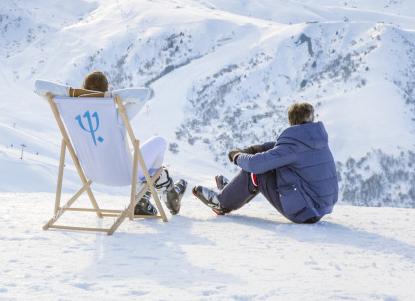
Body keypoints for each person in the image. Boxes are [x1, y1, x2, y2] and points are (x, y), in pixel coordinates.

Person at [35, 71, 187, 216]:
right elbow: (144, 93)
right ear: (106, 89)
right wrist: (108, 97)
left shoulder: (67, 109)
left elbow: (38, 85)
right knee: (159, 141)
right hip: (125, 175)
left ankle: (151, 193)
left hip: (92, 173)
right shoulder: (116, 115)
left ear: (83, 89)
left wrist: (74, 94)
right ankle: (150, 193)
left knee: (136, 154)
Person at [193, 102, 338, 224]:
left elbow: (255, 164)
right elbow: (279, 148)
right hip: (319, 207)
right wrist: (257, 148)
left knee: (259, 171)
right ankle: (235, 190)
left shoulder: (293, 145)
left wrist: (237, 156)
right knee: (269, 165)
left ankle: (222, 203)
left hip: (304, 212)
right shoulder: (315, 139)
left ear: (291, 121)